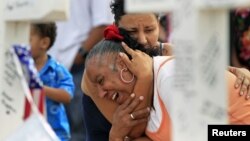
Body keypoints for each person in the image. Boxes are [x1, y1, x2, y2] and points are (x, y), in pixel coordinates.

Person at [84, 29, 250, 140]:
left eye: (101, 81)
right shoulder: (147, 91)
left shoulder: (171, 77)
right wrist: (116, 136)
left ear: (123, 63)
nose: (101, 94)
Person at [48, 0, 113, 140]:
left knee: (79, 131)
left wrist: (81, 54)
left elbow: (104, 24)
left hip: (78, 66)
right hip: (52, 66)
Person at [29, 23, 75, 141]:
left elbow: (67, 96)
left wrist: (40, 89)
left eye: (28, 40)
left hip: (55, 134)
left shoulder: (57, 70)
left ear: (44, 43)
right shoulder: (21, 69)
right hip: (28, 132)